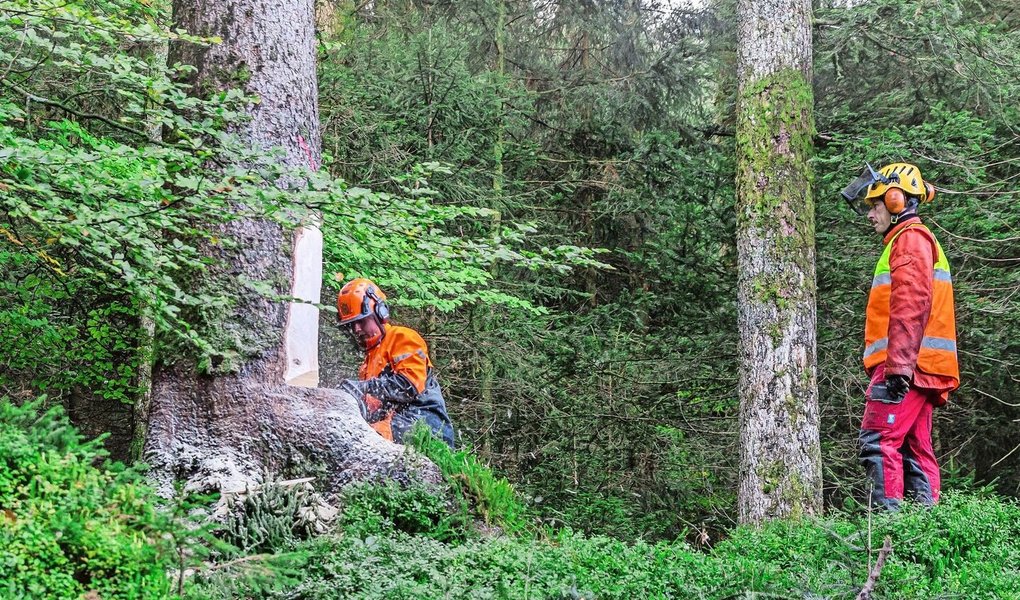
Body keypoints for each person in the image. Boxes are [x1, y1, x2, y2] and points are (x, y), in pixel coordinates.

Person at [841, 162, 960, 510]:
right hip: (921, 365)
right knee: (913, 448)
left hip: (906, 365)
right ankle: (924, 533)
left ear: (896, 201)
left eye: (875, 205)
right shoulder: (913, 240)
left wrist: (898, 369)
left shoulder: (909, 240)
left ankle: (889, 535)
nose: (870, 214)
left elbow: (910, 306)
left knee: (878, 441)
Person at [336, 278, 455, 447]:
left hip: (426, 424)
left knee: (364, 440)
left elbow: (409, 386)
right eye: (352, 324)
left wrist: (364, 387)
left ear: (379, 312)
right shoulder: (368, 362)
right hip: (395, 425)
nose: (357, 329)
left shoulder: (403, 338)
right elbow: (374, 408)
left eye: (362, 321)